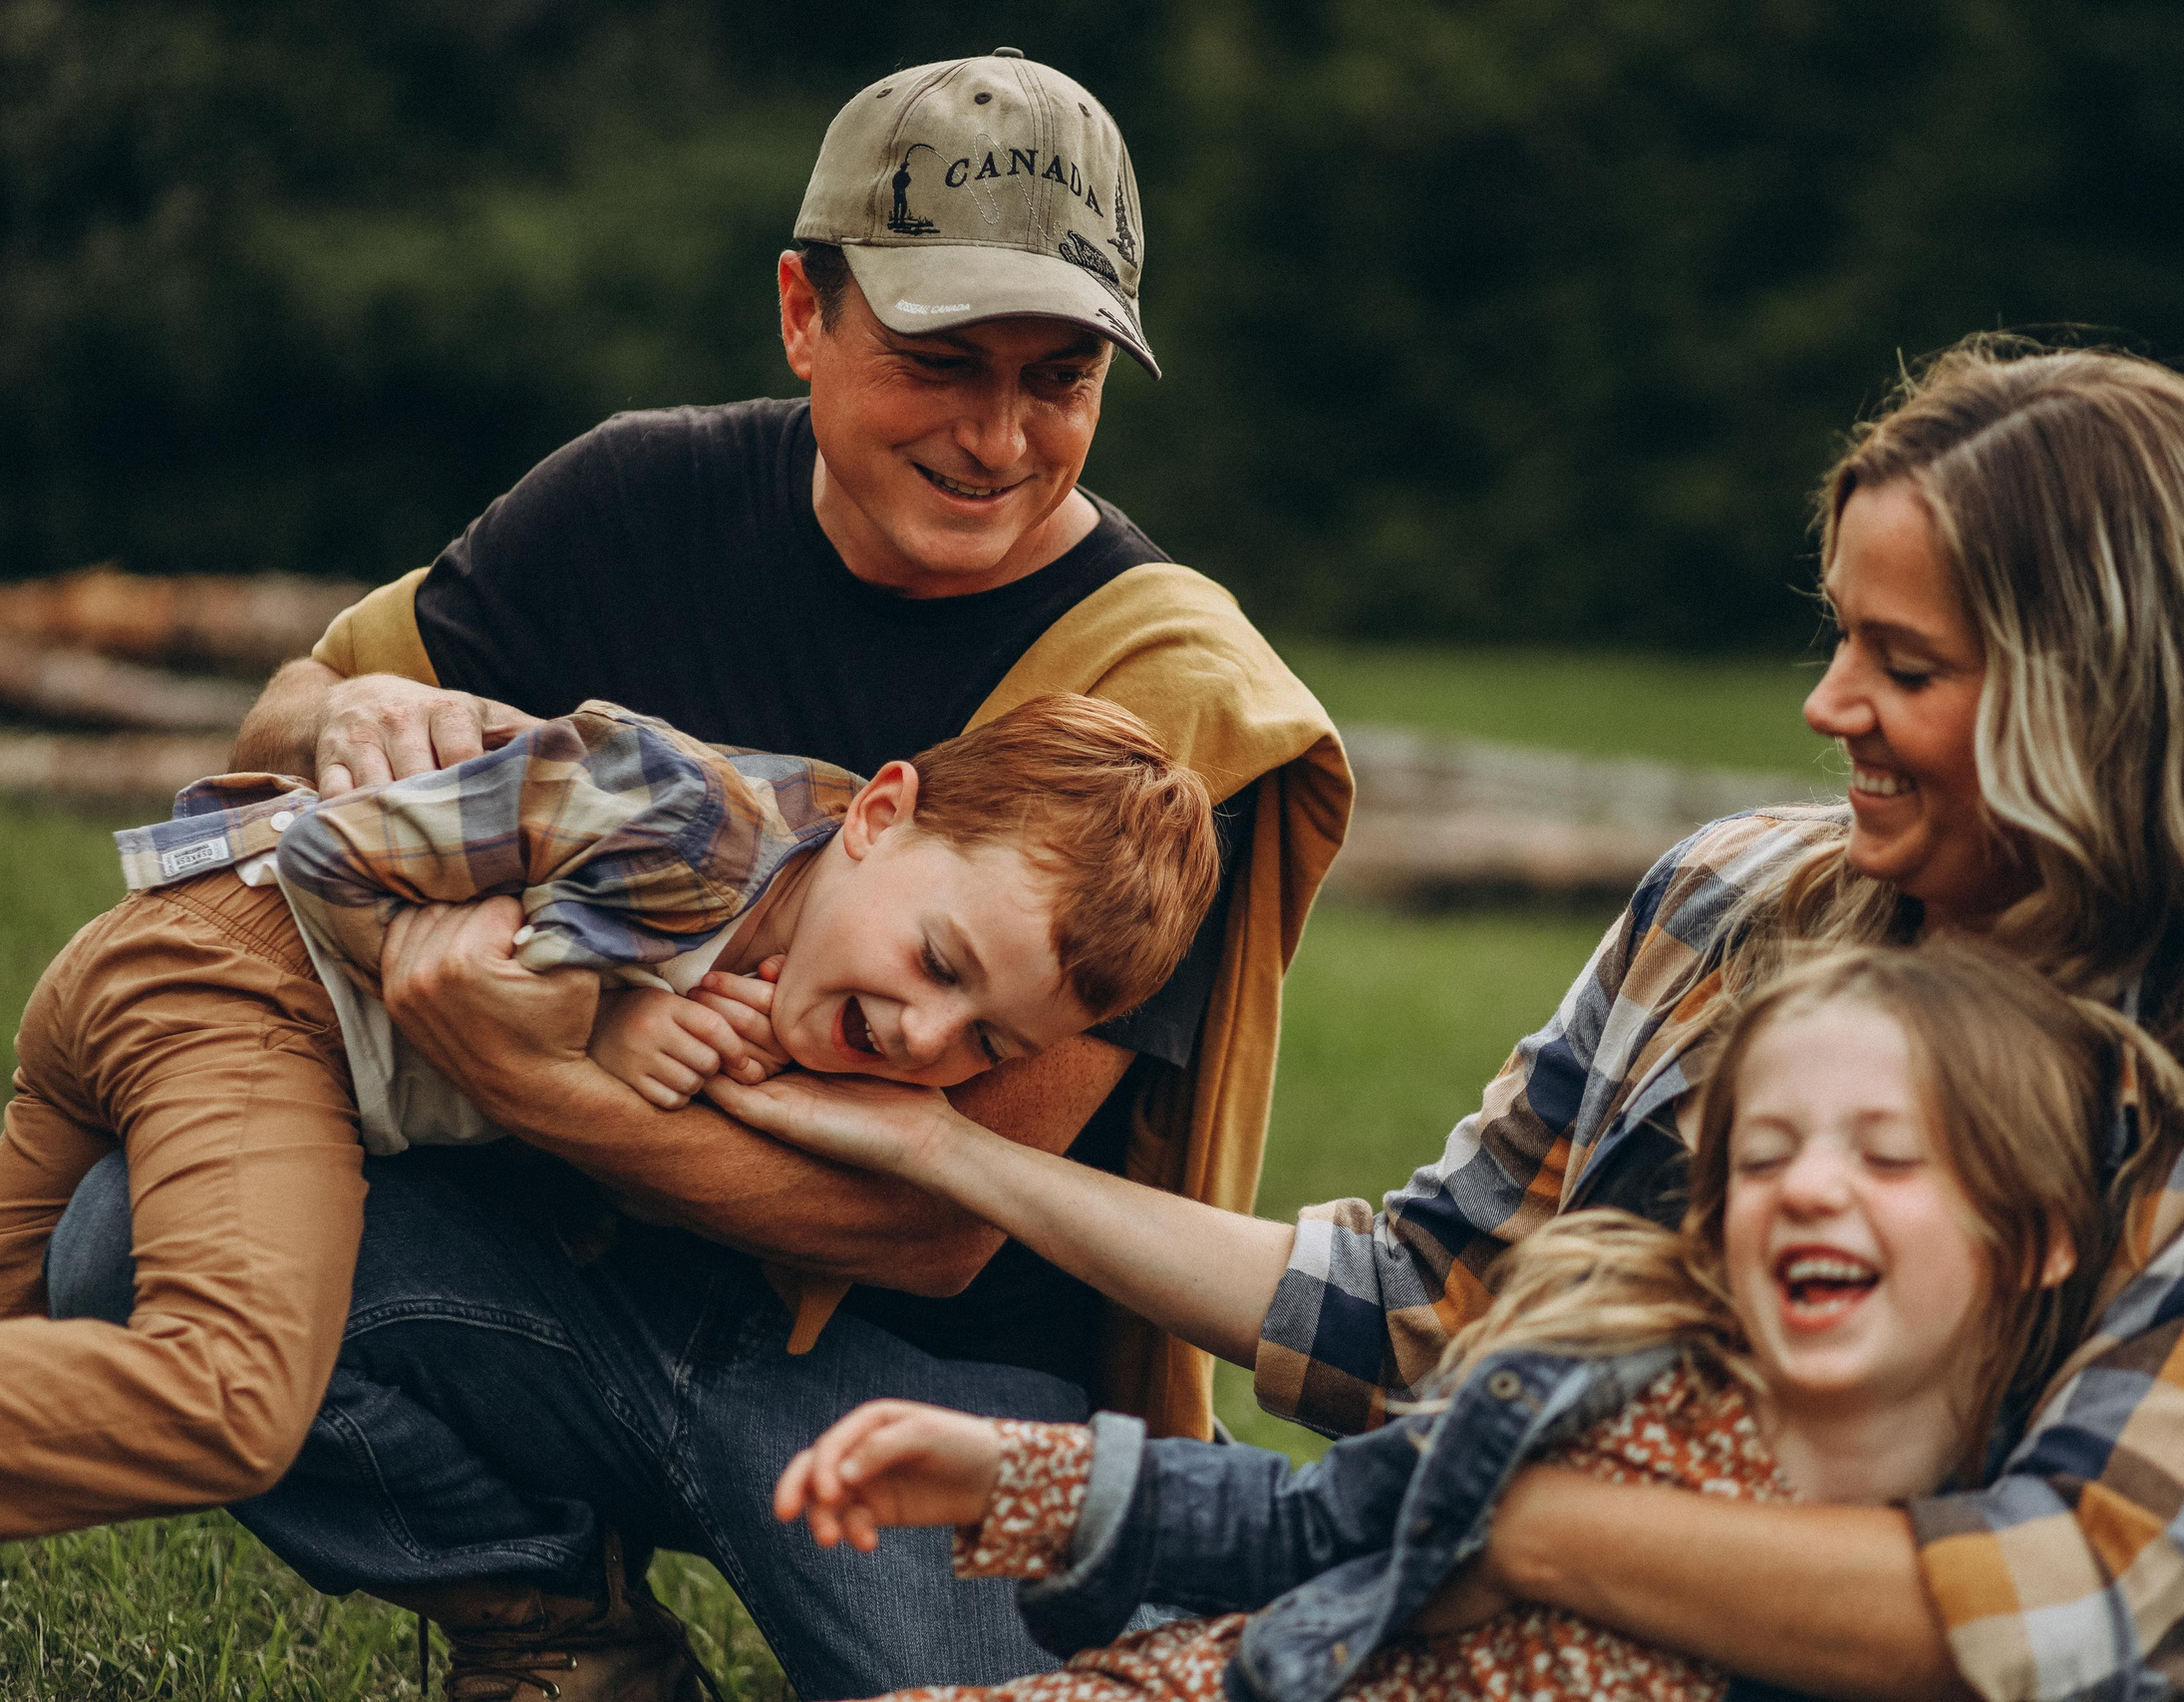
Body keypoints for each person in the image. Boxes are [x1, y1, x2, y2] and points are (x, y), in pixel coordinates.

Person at [708, 338, 2184, 1702]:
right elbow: (1426, 1304)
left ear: (2107, 708)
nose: (1826, 701)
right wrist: (954, 1152)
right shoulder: (1738, 903)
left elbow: (2075, 1603)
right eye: (1840, 635)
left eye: (1905, 667)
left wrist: (1506, 1518)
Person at [36, 46, 1349, 1702]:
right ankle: (554, 1620)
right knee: (130, 1238)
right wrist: (348, 706)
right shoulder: (630, 496)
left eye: (1063, 373)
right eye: (943, 358)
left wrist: (534, 1072)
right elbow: (291, 708)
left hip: (926, 1384)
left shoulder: (1163, 701)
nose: (1004, 434)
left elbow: (930, 1217)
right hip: (563, 1281)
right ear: (805, 311)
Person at [0, 694, 1218, 1547]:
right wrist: (589, 1007)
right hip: (241, 981)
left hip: (231, 1007)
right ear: (879, 815)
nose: (924, 1039)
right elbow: (331, 849)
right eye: (940, 963)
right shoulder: (684, 817)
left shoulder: (800, 995)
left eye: (987, 1045)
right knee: (230, 1401)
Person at [767, 939, 2127, 1702]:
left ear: (2040, 1233)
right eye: (1764, 1158)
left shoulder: (2004, 1552)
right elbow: (1314, 1524)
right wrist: (1026, 1476)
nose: (1814, 1186)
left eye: (1889, 1157)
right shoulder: (1606, 1381)